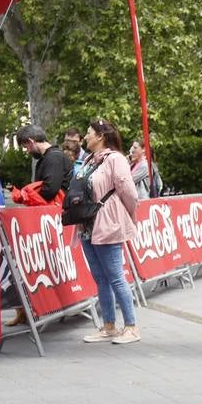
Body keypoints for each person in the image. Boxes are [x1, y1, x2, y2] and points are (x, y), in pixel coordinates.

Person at [78, 119, 142, 345]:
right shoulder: (88, 160)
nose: (85, 137)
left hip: (108, 224)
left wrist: (126, 218)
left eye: (88, 133)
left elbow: (130, 194)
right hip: (87, 226)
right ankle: (109, 326)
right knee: (100, 278)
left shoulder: (115, 159)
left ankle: (132, 327)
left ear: (100, 136)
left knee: (115, 277)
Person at [15, 124, 70, 201]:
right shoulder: (48, 157)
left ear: (31, 141)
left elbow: (50, 190)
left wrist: (28, 197)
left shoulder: (54, 157)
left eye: (26, 147)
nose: (28, 151)